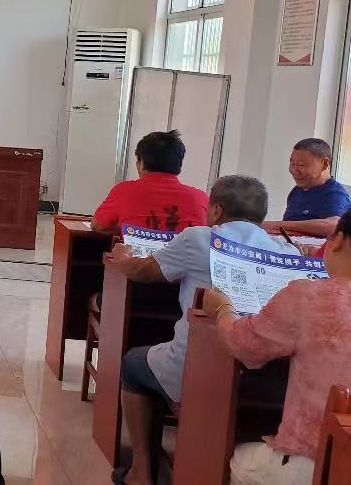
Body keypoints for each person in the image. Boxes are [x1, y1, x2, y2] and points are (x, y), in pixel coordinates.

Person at [103, 175, 301, 485]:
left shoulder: (198, 238)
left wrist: (124, 259)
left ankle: (142, 470)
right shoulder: (288, 251)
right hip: (268, 380)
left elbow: (143, 271)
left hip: (201, 366)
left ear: (217, 210)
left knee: (133, 363)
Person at [201, 208, 351, 485]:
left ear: (338, 240)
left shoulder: (308, 296)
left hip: (318, 463)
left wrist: (222, 309)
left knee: (240, 459)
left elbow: (243, 347)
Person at [92, 130, 209, 233]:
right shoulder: (201, 199)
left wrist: (126, 228)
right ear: (179, 164)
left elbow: (98, 226)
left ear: (141, 162)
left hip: (136, 252)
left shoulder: (124, 191)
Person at [264, 138, 351, 238]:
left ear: (324, 164)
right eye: (292, 164)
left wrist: (275, 225)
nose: (294, 170)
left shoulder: (335, 194)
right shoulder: (296, 191)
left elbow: (333, 226)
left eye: (301, 165)